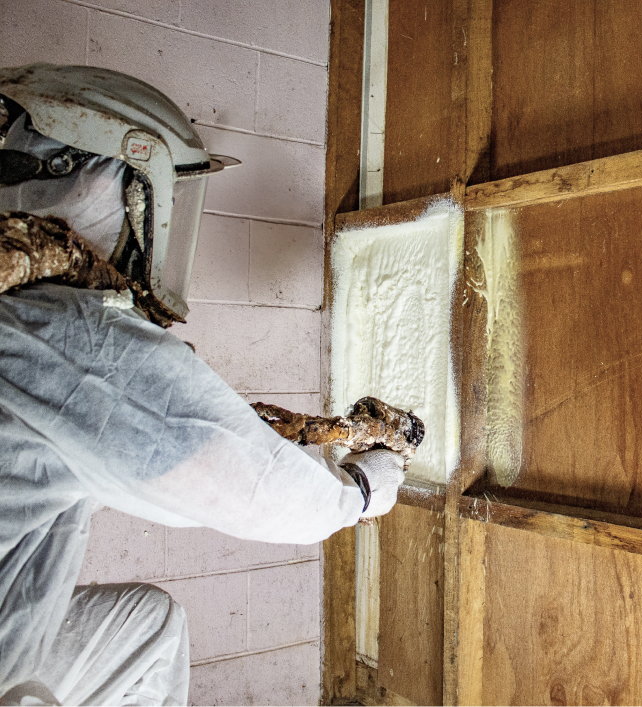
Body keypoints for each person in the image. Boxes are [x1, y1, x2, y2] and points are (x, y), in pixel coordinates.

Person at [0, 64, 406, 706]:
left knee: (148, 630)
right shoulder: (61, 328)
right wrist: (358, 492)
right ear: (85, 178)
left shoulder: (19, 300)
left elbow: (130, 434)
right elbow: (230, 476)